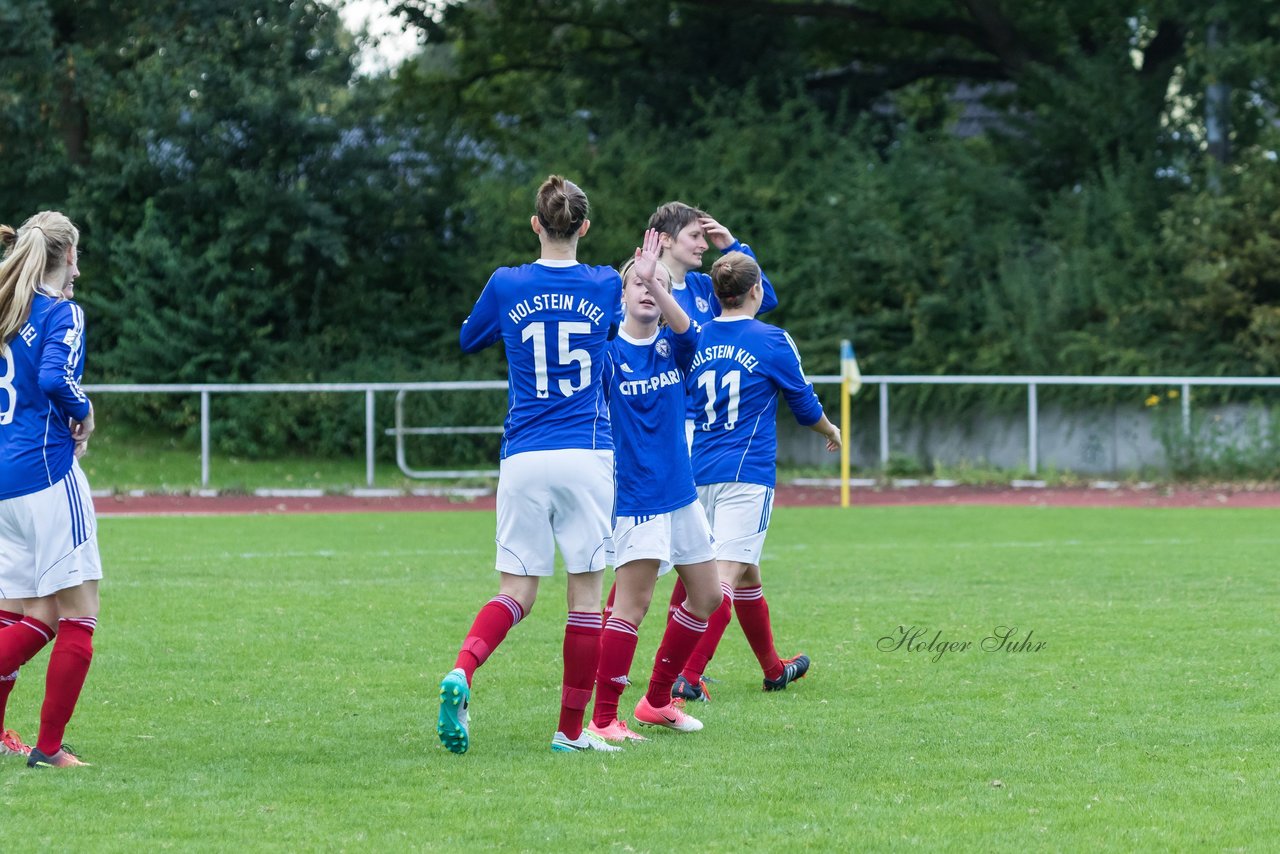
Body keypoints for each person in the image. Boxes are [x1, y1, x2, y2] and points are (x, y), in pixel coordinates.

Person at [437, 176, 623, 754]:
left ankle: (463, 670)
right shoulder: (605, 283)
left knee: (516, 590)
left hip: (523, 454)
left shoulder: (507, 283)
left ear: (536, 225)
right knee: (587, 599)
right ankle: (570, 733)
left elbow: (470, 339)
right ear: (584, 228)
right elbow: (622, 333)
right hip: (586, 452)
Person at [675, 250, 840, 700]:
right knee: (723, 579)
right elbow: (805, 406)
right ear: (755, 290)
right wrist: (831, 430)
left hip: (697, 471)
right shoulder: (772, 340)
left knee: (747, 573)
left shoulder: (696, 337)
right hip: (745, 476)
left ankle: (773, 669)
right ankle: (687, 676)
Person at [587, 230, 723, 743]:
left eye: (659, 285)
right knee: (633, 607)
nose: (647, 289)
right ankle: (603, 719)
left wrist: (656, 279)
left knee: (707, 596)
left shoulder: (674, 345)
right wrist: (638, 276)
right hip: (638, 498)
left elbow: (691, 333)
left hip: (681, 494)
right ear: (622, 295)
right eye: (638, 284)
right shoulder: (605, 356)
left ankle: (656, 701)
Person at [0, 211, 100, 768]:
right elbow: (53, 378)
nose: (79, 270)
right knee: (78, 614)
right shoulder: (61, 312)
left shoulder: (6, 312)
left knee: (23, 614)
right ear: (65, 257)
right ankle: (49, 749)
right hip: (45, 476)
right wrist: (83, 413)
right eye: (77, 256)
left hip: (4, 484)